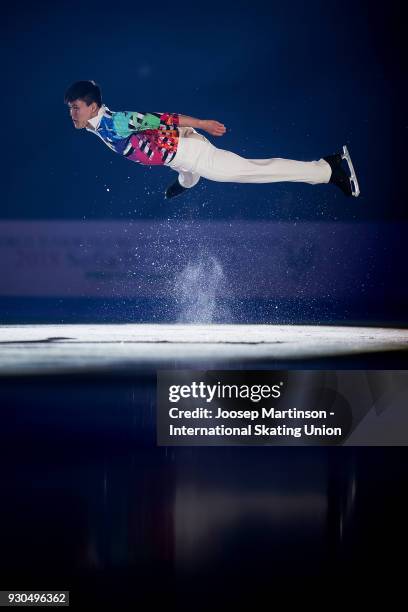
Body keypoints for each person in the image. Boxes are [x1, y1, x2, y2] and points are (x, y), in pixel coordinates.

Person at [64, 80, 360, 200]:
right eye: (70, 109)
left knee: (250, 172)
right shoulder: (93, 122)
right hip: (178, 152)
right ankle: (184, 182)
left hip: (191, 152)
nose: (72, 114)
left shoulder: (116, 121)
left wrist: (203, 123)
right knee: (185, 175)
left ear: (92, 107)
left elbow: (163, 117)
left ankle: (327, 169)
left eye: (76, 108)